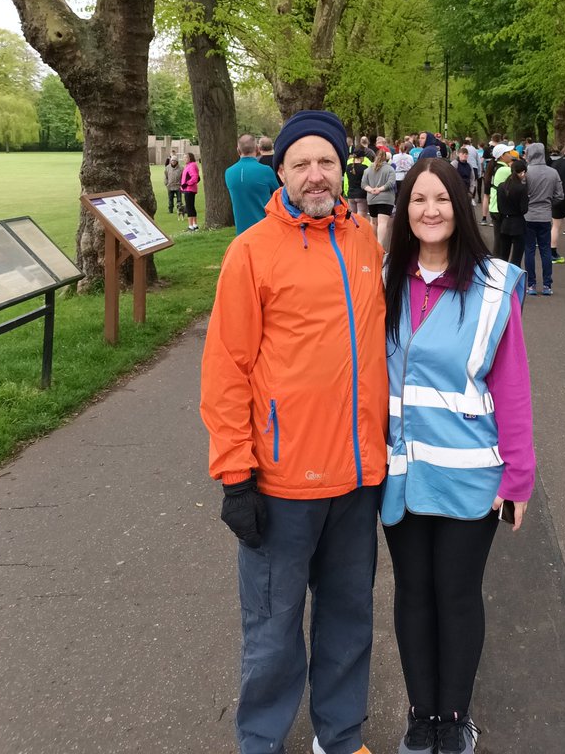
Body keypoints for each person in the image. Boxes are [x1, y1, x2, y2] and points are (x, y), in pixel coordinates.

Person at [200, 110, 387, 754]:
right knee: (274, 629)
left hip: (357, 479)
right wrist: (234, 474)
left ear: (343, 169)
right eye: (301, 163)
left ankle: (340, 736)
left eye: (326, 162)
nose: (315, 174)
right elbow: (227, 368)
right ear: (280, 171)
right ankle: (262, 741)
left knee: (348, 622)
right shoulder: (251, 251)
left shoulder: (363, 240)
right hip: (280, 483)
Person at [382, 157, 535, 754]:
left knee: (457, 592)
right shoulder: (386, 278)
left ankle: (454, 718)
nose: (430, 210)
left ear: (461, 206)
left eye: (441, 199)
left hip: (471, 476)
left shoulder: (494, 286)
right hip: (402, 473)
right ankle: (422, 717)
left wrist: (518, 478)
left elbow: (513, 388)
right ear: (404, 210)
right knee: (413, 593)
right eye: (418, 200)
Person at [524, 142, 563, 296]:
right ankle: (547, 284)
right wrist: (548, 203)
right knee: (546, 250)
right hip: (545, 215)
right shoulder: (553, 173)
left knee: (529, 250)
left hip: (528, 215)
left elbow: (522, 191)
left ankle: (531, 284)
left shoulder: (526, 172)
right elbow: (560, 195)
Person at [224, 134, 280, 235]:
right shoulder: (265, 171)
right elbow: (279, 194)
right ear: (257, 148)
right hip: (264, 228)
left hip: (241, 233)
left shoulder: (229, 172)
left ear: (238, 150)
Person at [494, 158, 528, 267]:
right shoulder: (522, 188)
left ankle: (502, 279)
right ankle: (514, 279)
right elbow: (524, 209)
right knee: (516, 258)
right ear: (522, 172)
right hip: (518, 224)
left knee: (503, 256)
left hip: (504, 223)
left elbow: (499, 207)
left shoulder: (501, 187)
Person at [362, 146, 397, 247]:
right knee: (383, 223)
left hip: (372, 199)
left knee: (373, 222)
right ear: (386, 158)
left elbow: (363, 184)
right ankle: (380, 246)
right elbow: (391, 183)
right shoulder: (390, 169)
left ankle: (373, 244)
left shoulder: (368, 170)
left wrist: (371, 190)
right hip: (386, 199)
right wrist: (380, 189)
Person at [486, 144, 515, 253]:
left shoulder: (495, 167)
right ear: (502, 156)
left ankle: (496, 262)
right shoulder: (504, 170)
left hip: (494, 206)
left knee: (499, 240)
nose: (510, 154)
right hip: (499, 208)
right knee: (501, 241)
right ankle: (498, 264)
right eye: (508, 153)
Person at [344, 147, 371, 219]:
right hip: (361, 194)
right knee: (361, 216)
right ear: (362, 157)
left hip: (351, 194)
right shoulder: (364, 168)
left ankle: (353, 230)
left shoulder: (348, 167)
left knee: (352, 216)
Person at [180, 152, 201, 231]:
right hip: (188, 189)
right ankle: (195, 225)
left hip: (189, 189)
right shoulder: (189, 166)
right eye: (184, 157)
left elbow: (195, 177)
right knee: (191, 206)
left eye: (186, 157)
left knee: (189, 207)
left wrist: (186, 184)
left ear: (190, 158)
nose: (184, 159)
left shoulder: (191, 166)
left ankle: (190, 226)